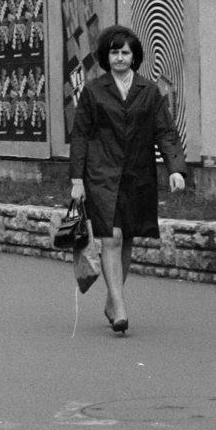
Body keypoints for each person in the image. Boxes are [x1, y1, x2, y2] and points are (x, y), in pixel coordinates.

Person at [69, 25, 187, 334]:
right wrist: (76, 180)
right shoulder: (94, 90)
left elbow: (165, 130)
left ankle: (112, 298)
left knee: (128, 238)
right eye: (114, 52)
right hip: (101, 173)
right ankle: (120, 307)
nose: (120, 57)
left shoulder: (148, 91)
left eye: (125, 52)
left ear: (134, 57)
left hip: (138, 174)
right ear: (105, 57)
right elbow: (80, 135)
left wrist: (175, 168)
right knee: (112, 237)